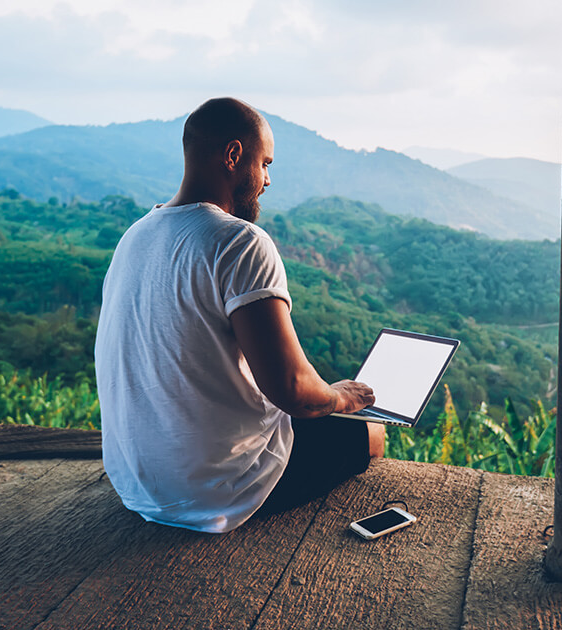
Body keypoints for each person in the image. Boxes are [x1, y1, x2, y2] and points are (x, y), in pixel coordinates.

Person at [95, 97, 385, 533]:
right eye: (264, 163)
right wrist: (342, 397)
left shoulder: (135, 235)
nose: (267, 180)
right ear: (233, 155)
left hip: (136, 484)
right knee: (371, 434)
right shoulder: (240, 241)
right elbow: (291, 389)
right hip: (213, 491)